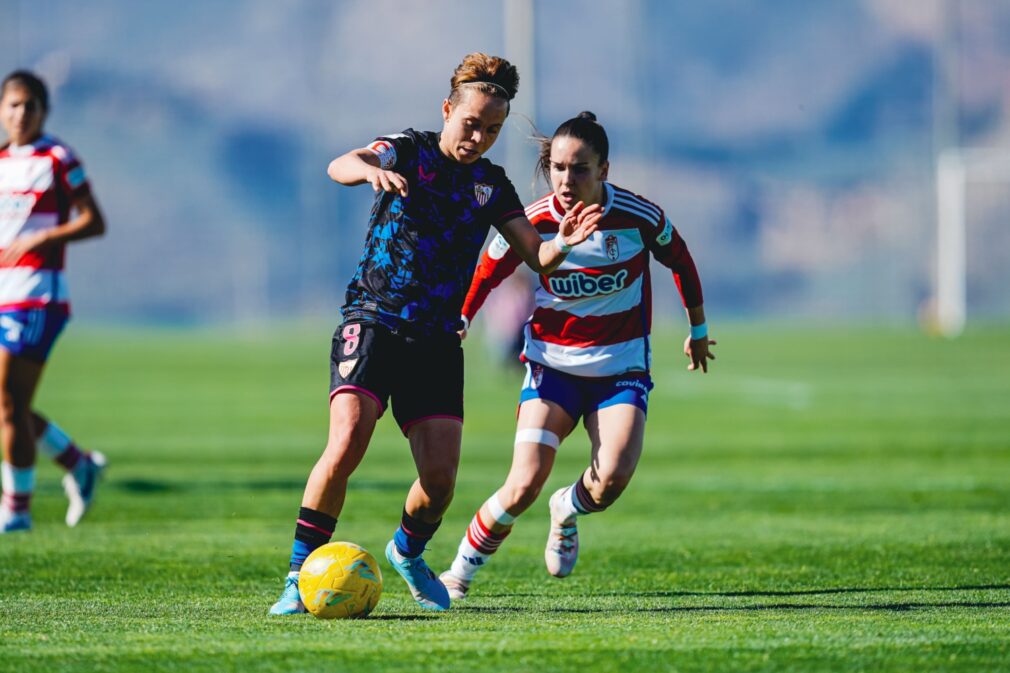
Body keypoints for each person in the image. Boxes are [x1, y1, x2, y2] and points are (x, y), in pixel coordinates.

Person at [269, 54, 601, 614]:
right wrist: (369, 170)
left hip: (437, 341)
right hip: (373, 319)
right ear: (447, 110)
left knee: (441, 481)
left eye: (492, 130)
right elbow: (340, 164)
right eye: (471, 123)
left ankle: (406, 550)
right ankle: (298, 576)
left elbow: (536, 256)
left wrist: (563, 241)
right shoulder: (409, 149)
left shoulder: (490, 184)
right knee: (347, 443)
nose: (479, 137)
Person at [439, 111, 715, 599]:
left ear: (604, 170)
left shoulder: (638, 216)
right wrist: (461, 318)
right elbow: (486, 271)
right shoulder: (535, 221)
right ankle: (458, 572)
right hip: (552, 368)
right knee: (523, 483)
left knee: (611, 480)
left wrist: (697, 328)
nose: (566, 180)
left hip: (620, 370)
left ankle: (567, 506)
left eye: (579, 168)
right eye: (558, 167)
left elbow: (681, 258)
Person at [0, 71, 107, 534]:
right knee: (10, 405)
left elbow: (94, 221)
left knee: (7, 402)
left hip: (38, 297)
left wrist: (44, 236)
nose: (20, 114)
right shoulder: (1, 160)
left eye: (30, 105)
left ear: (43, 111)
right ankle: (78, 464)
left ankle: (16, 512)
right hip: (3, 295)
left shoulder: (59, 158)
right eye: (13, 105)